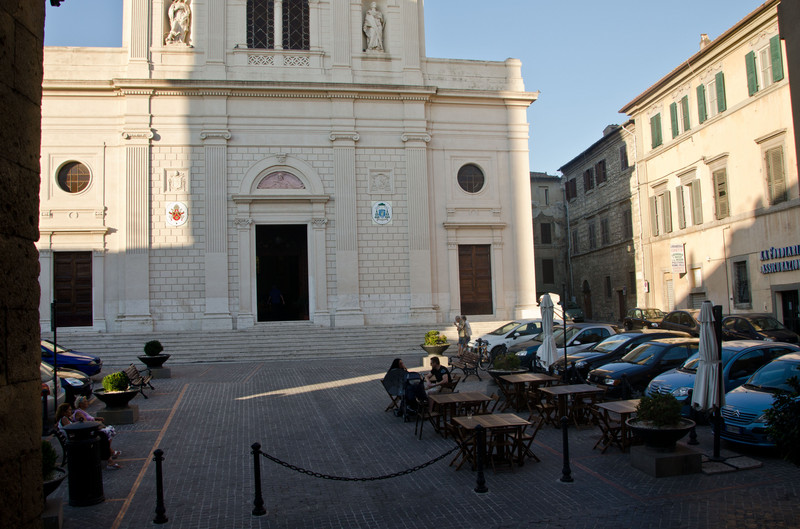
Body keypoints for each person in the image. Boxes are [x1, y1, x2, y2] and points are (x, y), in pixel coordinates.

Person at [73, 396, 121, 469]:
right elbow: (86, 423)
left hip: (90, 431)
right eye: (85, 402)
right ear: (80, 404)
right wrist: (97, 423)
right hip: (87, 433)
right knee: (106, 433)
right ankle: (109, 456)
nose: (87, 403)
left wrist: (97, 419)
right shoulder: (79, 413)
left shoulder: (82, 411)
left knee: (108, 431)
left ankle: (110, 453)